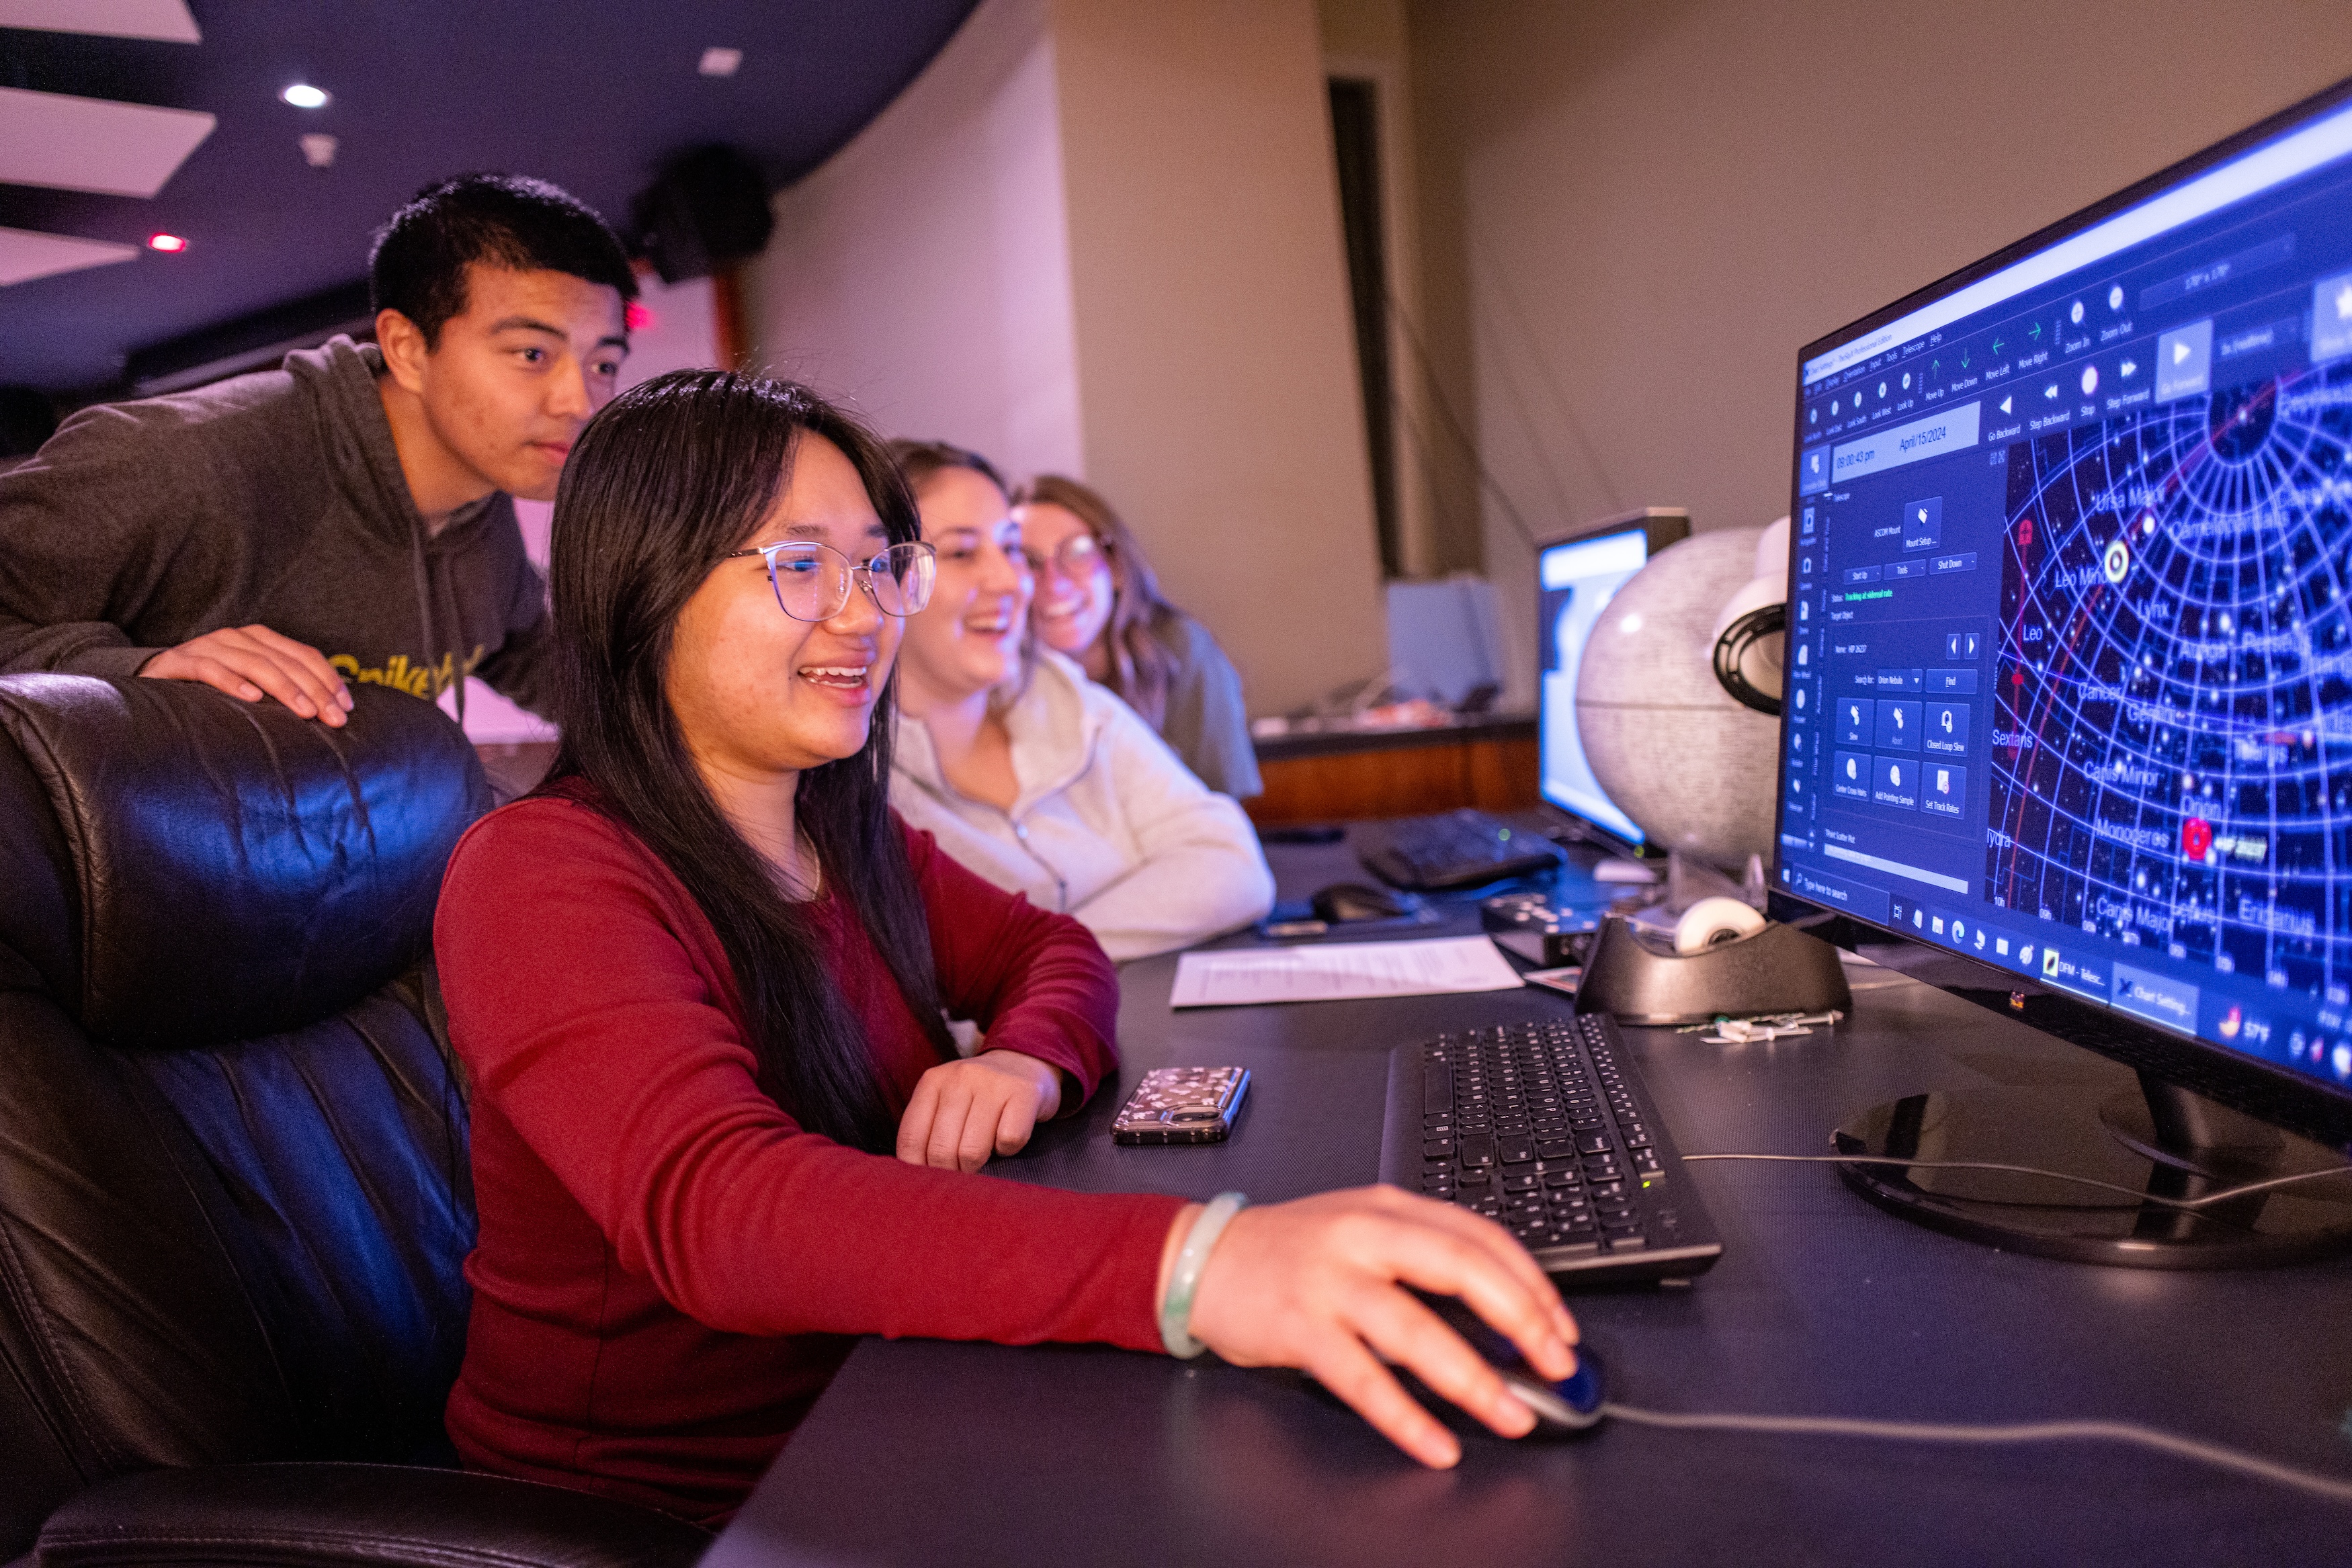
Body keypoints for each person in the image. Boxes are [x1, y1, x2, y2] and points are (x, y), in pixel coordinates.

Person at [432, 371, 1581, 1524]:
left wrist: (1022, 1060)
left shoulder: (841, 831)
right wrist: (1200, 1263)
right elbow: (723, 1210)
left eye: (882, 563)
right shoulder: (540, 874)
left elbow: (1053, 948)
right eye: (799, 564)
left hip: (891, 1392)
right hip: (680, 1508)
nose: (865, 610)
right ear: (643, 585)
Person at [0, 173, 637, 726]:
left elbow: (531, 654)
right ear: (408, 348)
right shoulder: (183, 461)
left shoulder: (481, 520)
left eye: (604, 363)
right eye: (533, 354)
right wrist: (137, 671)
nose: (580, 401)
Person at [885, 443, 1273, 961]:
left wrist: (1043, 962)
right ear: (880, 579)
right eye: (961, 552)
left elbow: (1235, 867)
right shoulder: (856, 782)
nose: (1011, 581)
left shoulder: (1076, 707)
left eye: (1008, 549)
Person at [1016, 474, 1263, 799]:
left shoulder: (1180, 651)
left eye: (1077, 551)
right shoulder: (1000, 681)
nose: (1054, 582)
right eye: (1027, 560)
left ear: (1116, 567)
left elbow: (1225, 811)